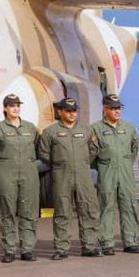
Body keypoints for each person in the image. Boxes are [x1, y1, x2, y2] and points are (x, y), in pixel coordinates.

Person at [37, 97, 102, 259]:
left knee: (87, 209)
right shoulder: (50, 132)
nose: (72, 114)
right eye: (68, 111)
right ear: (60, 112)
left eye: (74, 111)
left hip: (83, 175)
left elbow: (93, 150)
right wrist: (59, 163)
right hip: (61, 175)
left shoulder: (86, 130)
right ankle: (61, 248)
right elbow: (43, 153)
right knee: (62, 211)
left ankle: (89, 246)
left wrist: (82, 163)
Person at [0, 93, 40, 262]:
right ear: (5, 108)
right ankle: (9, 250)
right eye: (12, 105)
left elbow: (41, 148)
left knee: (29, 212)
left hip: (29, 173)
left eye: (18, 105)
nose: (16, 108)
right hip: (6, 173)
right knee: (7, 212)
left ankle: (27, 249)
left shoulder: (30, 128)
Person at [88, 93, 139, 255]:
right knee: (106, 207)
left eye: (119, 108)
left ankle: (131, 241)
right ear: (105, 108)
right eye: (113, 108)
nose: (117, 111)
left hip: (125, 172)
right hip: (106, 172)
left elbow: (133, 150)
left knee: (129, 206)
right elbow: (91, 154)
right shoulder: (96, 128)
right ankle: (107, 243)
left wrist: (124, 163)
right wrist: (105, 165)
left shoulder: (129, 127)